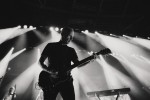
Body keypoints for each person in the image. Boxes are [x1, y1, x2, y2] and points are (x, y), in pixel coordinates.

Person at [38, 27, 79, 100]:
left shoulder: (71, 51)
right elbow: (40, 62)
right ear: (62, 34)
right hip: (51, 80)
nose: (70, 39)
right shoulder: (50, 46)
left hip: (66, 81)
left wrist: (90, 59)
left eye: (71, 37)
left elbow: (78, 64)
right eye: (69, 36)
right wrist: (49, 71)